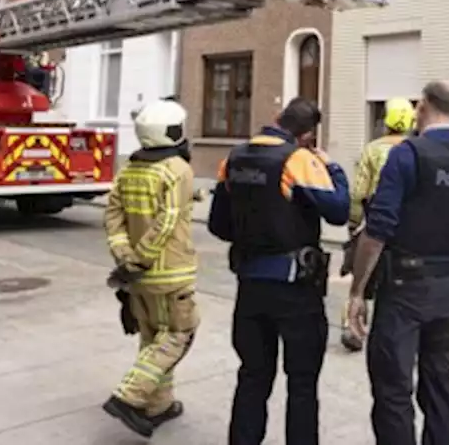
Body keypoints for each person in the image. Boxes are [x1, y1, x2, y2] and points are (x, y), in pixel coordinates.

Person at [346, 81, 449, 445]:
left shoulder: (408, 154)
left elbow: (376, 231)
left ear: (423, 106)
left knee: (393, 386)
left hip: (405, 286)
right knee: (439, 380)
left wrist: (358, 291)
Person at [208, 97, 350, 445]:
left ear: (276, 118)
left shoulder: (234, 158)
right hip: (295, 291)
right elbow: (339, 210)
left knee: (253, 376)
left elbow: (218, 224)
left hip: (250, 286)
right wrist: (332, 169)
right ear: (306, 135)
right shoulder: (298, 160)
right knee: (301, 383)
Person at [102, 97, 199, 436]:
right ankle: (129, 396)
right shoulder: (178, 169)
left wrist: (126, 258)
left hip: (135, 277)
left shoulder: (129, 169)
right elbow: (167, 221)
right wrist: (143, 257)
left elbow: (113, 215)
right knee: (178, 334)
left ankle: (159, 404)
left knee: (152, 337)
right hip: (169, 272)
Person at [339, 96, 414, 353]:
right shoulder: (416, 149)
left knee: (362, 274)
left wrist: (354, 222)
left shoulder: (372, 149)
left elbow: (359, 191)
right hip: (406, 225)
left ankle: (352, 325)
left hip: (376, 219)